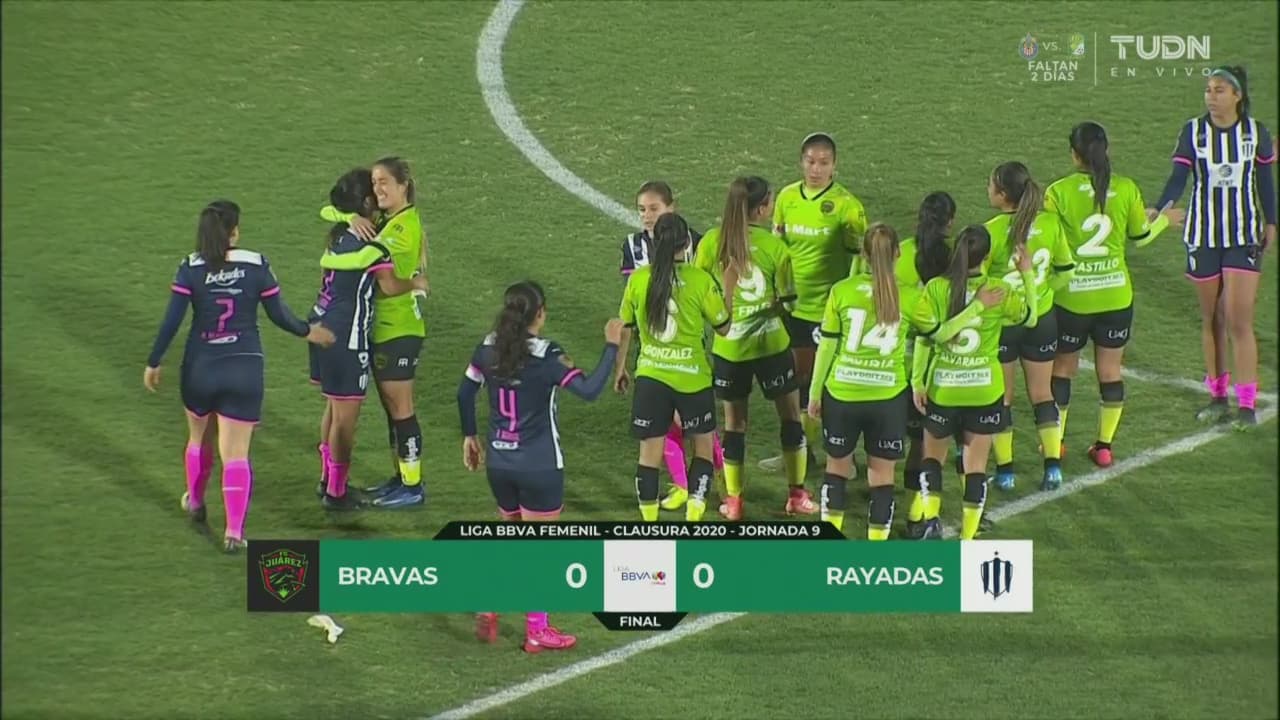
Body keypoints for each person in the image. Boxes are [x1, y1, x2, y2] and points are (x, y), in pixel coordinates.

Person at [145, 201, 334, 552]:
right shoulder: (256, 264)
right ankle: (234, 532)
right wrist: (308, 331)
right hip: (243, 368)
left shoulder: (189, 268)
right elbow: (279, 315)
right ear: (233, 233)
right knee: (236, 453)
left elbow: (172, 320)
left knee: (198, 438)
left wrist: (154, 362)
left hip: (201, 367)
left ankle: (196, 502)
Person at [459, 281, 623, 653]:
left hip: (499, 463)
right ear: (540, 314)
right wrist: (611, 346)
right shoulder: (548, 355)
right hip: (539, 465)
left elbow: (465, 392)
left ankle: (490, 601)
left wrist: (470, 436)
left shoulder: (488, 347)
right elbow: (589, 390)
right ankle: (537, 630)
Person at [1046, 122, 1184, 467]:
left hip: (1072, 299)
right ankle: (1104, 446)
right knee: (1110, 371)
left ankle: (1055, 443)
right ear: (1107, 150)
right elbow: (1140, 236)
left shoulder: (1058, 192)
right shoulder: (1125, 188)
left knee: (1063, 368)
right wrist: (1163, 220)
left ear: (1074, 154)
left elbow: (1047, 239)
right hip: (1116, 298)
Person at [1153, 65, 1275, 429]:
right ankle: (1218, 397)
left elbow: (1266, 183)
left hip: (1243, 235)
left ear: (1238, 95)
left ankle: (1247, 405)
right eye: (1208, 89)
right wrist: (1160, 207)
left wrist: (1272, 221)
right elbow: (1178, 178)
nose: (1211, 96)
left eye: (1219, 90)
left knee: (1239, 319)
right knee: (1213, 319)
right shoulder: (1192, 132)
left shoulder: (1256, 133)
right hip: (1203, 236)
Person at [310, 169, 428, 510]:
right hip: (348, 334)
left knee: (338, 408)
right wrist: (416, 283)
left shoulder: (340, 234)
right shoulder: (372, 243)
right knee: (346, 417)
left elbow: (328, 211)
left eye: (383, 184)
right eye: (374, 188)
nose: (378, 193)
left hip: (326, 323)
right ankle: (337, 491)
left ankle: (333, 481)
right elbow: (388, 284)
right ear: (363, 202)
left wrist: (348, 219)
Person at [910, 225, 1036, 540]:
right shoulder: (999, 290)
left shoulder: (937, 288)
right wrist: (1027, 273)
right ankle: (967, 538)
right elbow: (1031, 317)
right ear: (987, 255)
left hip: (944, 389)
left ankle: (930, 520)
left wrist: (917, 381)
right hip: (985, 390)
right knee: (975, 467)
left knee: (932, 460)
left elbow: (926, 338)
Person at [693, 176, 804, 519]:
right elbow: (790, 302)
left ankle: (734, 501)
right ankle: (796, 495)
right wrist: (772, 307)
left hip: (729, 349)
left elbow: (699, 290)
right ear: (762, 208)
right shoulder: (775, 248)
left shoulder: (711, 243)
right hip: (771, 346)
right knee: (791, 417)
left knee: (734, 424)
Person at [760, 133, 868, 479]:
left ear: (835, 165)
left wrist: (844, 304)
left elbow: (858, 262)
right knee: (795, 384)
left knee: (830, 386)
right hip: (792, 308)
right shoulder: (787, 198)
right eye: (810, 161)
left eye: (823, 163)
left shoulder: (848, 207)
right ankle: (797, 451)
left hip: (827, 311)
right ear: (801, 162)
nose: (816, 169)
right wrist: (775, 290)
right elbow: (778, 250)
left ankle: (844, 456)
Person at [614, 212, 732, 522]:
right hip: (693, 379)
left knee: (648, 457)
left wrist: (620, 369)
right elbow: (723, 327)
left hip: (651, 378)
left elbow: (625, 327)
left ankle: (649, 524)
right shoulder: (700, 280)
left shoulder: (639, 279)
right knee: (702, 450)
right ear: (687, 243)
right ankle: (693, 517)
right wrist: (729, 288)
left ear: (654, 241)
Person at [983, 162, 1076, 491]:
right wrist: (1043, 290)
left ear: (1002, 195)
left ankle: (1005, 473)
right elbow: (1066, 270)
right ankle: (1053, 468)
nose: (987, 189)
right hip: (1042, 319)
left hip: (1004, 324)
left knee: (1003, 397)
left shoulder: (992, 231)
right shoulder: (1050, 223)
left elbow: (980, 283)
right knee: (1042, 394)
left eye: (991, 185)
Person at [895, 192, 962, 535]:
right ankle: (915, 517)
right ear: (950, 222)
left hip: (894, 361)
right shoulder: (953, 259)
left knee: (888, 444)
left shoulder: (901, 252)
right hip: (936, 365)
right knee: (926, 446)